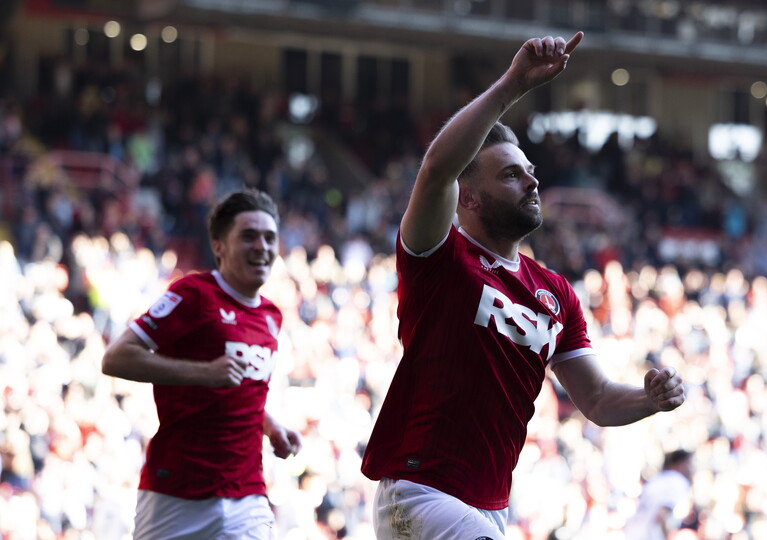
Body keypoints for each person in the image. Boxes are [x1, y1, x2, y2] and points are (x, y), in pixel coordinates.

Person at [360, 31, 686, 540]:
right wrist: (512, 86)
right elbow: (437, 169)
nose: (532, 182)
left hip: (490, 505)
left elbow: (598, 399)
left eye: (530, 172)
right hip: (421, 491)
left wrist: (650, 400)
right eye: (511, 175)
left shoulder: (556, 293)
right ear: (467, 198)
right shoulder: (439, 255)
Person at [101, 189, 302, 539]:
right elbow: (116, 358)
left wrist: (270, 426)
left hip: (247, 494)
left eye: (270, 237)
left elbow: (240, 390)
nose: (262, 246)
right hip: (177, 494)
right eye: (249, 236)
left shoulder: (271, 315)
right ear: (218, 246)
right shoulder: (193, 294)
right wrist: (204, 373)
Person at [624, 449, 695, 540]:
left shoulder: (656, 480)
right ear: (680, 464)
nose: (691, 468)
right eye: (688, 464)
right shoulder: (677, 481)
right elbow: (661, 515)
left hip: (634, 534)